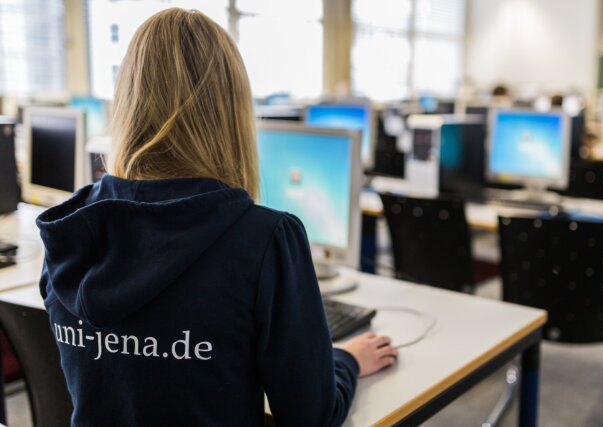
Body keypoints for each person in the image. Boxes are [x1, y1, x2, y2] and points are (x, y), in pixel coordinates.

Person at [37, 8, 397, 427]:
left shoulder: (69, 230)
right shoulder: (264, 239)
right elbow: (309, 416)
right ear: (231, 113)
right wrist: (345, 361)